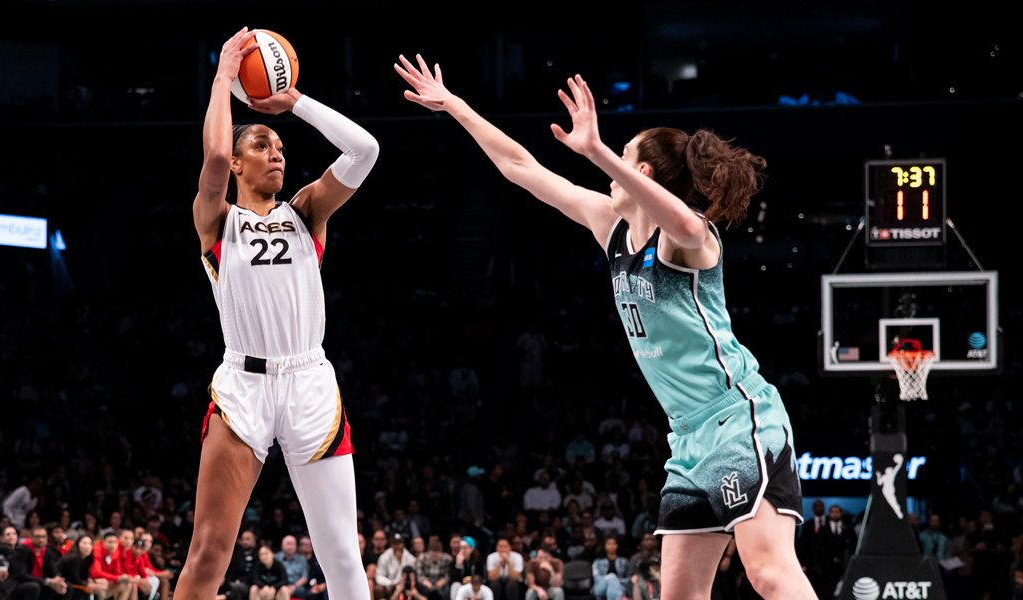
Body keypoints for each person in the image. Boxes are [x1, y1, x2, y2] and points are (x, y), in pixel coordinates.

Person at [396, 55, 812, 600]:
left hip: (738, 420)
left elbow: (684, 219)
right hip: (686, 441)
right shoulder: (612, 229)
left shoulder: (690, 240)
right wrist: (454, 105)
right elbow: (522, 168)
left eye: (622, 155)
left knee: (769, 574)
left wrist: (594, 151)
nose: (608, 162)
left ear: (638, 174)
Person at [176, 26, 378, 600]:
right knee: (209, 551)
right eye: (262, 145)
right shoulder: (217, 223)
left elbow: (366, 150)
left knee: (342, 555)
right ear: (238, 165)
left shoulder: (307, 211)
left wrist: (295, 104)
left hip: (309, 381)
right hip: (243, 385)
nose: (277, 153)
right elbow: (214, 152)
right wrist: (222, 78)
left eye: (281, 147)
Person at [5, 525, 67, 600]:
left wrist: (58, 579)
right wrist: (47, 581)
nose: (41, 539)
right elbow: (21, 575)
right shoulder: (22, 550)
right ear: (31, 537)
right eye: (38, 536)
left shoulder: (47, 551)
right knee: (34, 586)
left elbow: (53, 569)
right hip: (18, 584)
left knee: (65, 586)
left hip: (39, 582)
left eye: (44, 537)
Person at [59, 535, 109, 600]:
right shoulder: (74, 558)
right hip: (67, 584)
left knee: (104, 582)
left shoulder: (87, 559)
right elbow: (74, 579)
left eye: (90, 543)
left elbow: (84, 576)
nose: (87, 546)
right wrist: (89, 583)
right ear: (77, 544)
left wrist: (91, 581)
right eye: (84, 543)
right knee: (100, 589)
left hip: (77, 582)